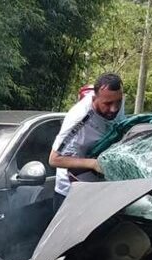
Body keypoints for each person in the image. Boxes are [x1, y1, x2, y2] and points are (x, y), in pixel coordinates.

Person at [49, 72, 126, 209]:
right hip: (71, 193)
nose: (114, 109)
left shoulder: (114, 100)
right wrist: (93, 164)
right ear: (95, 97)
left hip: (99, 190)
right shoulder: (79, 118)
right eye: (108, 104)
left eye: (118, 102)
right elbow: (54, 159)